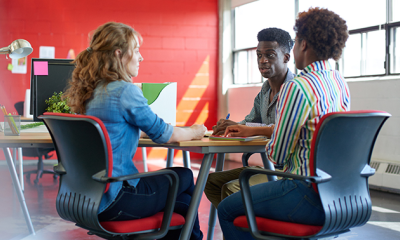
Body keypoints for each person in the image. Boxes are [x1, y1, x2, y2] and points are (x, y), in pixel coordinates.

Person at [63, 22, 206, 240]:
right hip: (116, 198)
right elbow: (166, 134)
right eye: (136, 50)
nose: (141, 57)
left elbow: (110, 132)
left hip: (85, 198)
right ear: (120, 54)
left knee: (184, 204)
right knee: (184, 175)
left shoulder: (90, 91)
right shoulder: (125, 91)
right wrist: (196, 130)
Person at [217, 7, 350, 240]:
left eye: (296, 40)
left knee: (227, 209)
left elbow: (277, 156)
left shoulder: (295, 87)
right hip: (339, 192)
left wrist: (271, 134)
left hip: (303, 191)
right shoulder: (338, 81)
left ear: (303, 44)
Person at [205, 28, 295, 208]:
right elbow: (252, 121)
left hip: (290, 171)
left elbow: (285, 129)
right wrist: (234, 125)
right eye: (259, 55)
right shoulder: (265, 89)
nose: (263, 61)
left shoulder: (295, 89)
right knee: (211, 182)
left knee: (232, 189)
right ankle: (244, 226)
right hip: (270, 166)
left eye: (270, 55)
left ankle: (248, 226)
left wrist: (248, 128)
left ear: (286, 57)